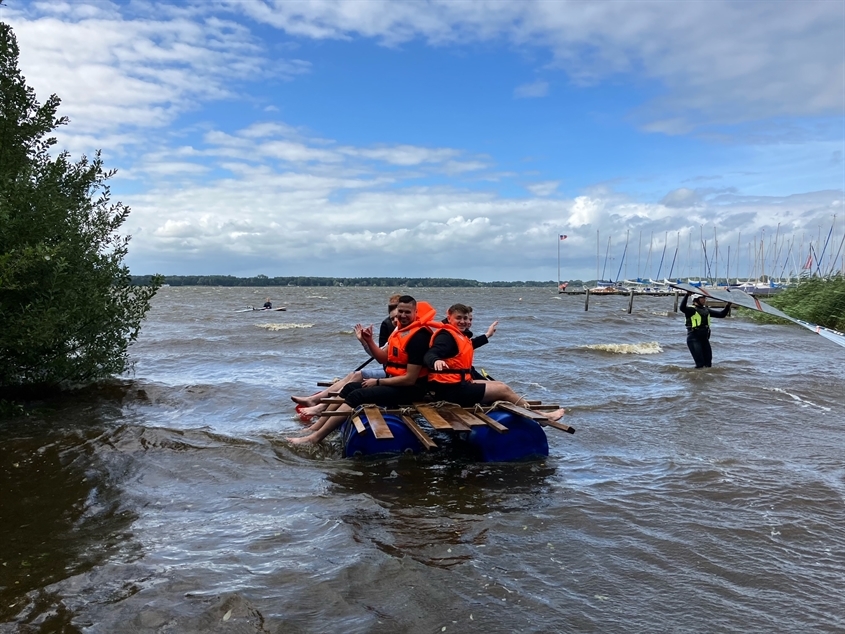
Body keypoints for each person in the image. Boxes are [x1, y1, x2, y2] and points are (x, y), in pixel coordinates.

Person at [288, 295, 435, 445]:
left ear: (415, 312)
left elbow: (410, 379)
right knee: (349, 387)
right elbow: (382, 359)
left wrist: (377, 382)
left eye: (407, 312)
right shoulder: (400, 332)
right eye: (400, 312)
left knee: (357, 395)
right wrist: (369, 341)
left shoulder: (419, 337)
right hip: (396, 383)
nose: (403, 316)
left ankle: (315, 439)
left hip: (412, 389)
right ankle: (315, 428)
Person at [424, 303, 565, 422]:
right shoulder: (445, 336)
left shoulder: (457, 335)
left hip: (456, 385)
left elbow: (466, 347)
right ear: (449, 318)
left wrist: (487, 335)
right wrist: (435, 360)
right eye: (458, 318)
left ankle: (536, 415)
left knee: (499, 385)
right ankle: (542, 418)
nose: (463, 321)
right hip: (450, 391)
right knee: (502, 389)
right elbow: (432, 353)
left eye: (466, 318)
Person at [290, 295, 402, 417]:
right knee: (353, 374)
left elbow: (381, 358)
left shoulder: (403, 331)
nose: (396, 320)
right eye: (393, 317)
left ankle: (322, 407)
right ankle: (316, 399)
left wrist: (367, 342)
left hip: (394, 373)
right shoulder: (394, 329)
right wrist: (364, 341)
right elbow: (381, 355)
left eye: (399, 315)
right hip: (390, 369)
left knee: (358, 375)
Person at [679, 292, 731, 368]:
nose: (704, 300)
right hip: (694, 339)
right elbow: (682, 308)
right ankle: (696, 378)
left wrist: (728, 305)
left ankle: (706, 379)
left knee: (708, 364)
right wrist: (687, 295)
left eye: (704, 298)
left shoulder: (706, 310)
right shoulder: (691, 310)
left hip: (704, 339)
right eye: (702, 298)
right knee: (700, 364)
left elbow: (722, 314)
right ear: (696, 299)